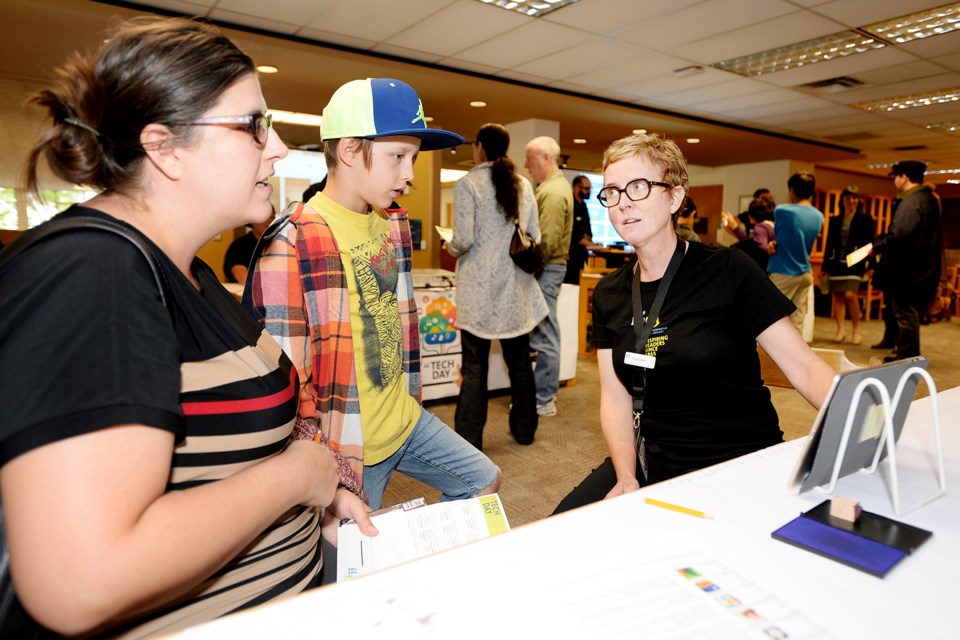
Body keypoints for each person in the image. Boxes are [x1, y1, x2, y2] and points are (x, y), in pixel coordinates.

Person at [0, 17, 374, 639]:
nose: (278, 148)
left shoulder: (182, 268)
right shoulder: (94, 274)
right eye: (254, 125)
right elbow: (83, 581)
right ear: (163, 147)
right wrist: (298, 476)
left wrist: (316, 499)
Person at [244, 78, 501, 510]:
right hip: (347, 443)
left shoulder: (392, 223)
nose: (410, 174)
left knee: (482, 480)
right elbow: (285, 374)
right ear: (348, 151)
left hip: (404, 419)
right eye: (397, 156)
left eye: (414, 158)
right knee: (350, 565)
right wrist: (325, 467)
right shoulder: (292, 238)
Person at [553, 133, 834, 514]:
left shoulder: (728, 270)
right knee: (559, 530)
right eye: (614, 191)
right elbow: (616, 397)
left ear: (675, 196)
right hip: (650, 459)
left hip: (736, 461)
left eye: (638, 187)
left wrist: (859, 430)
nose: (623, 204)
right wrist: (626, 476)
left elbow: (804, 366)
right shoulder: (610, 292)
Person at [445, 123, 548, 450]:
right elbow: (535, 235)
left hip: (479, 289)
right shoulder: (524, 184)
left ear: (480, 148)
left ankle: (469, 439)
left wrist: (449, 245)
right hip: (515, 289)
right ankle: (525, 431)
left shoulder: (469, 184)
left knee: (475, 365)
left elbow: (464, 239)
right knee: (520, 362)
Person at [871, 161, 943, 362]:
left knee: (905, 314)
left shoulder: (912, 202)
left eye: (896, 176)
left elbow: (900, 236)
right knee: (908, 314)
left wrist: (875, 247)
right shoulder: (929, 199)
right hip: (922, 269)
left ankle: (907, 357)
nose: (894, 181)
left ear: (904, 177)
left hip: (909, 271)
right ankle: (906, 354)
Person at [524, 136, 573, 417]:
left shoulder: (553, 192)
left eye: (530, 158)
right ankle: (541, 396)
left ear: (545, 158)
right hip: (550, 267)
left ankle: (544, 399)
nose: (526, 164)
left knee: (545, 333)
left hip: (548, 268)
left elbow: (549, 242)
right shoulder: (552, 187)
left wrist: (527, 267)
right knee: (544, 331)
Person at [766, 172, 824, 336]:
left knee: (770, 315)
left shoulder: (782, 211)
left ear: (791, 190)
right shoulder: (819, 216)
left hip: (784, 272)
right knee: (797, 321)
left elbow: (778, 235)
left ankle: (768, 358)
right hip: (805, 273)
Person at [821, 186, 875, 346]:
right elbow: (829, 243)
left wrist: (870, 265)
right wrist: (825, 266)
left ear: (858, 201)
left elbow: (869, 244)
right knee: (837, 296)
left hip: (855, 262)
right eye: (848, 198)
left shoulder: (866, 219)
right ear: (843, 200)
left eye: (855, 198)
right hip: (836, 263)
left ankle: (856, 330)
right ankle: (840, 330)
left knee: (850, 295)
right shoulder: (835, 220)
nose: (851, 201)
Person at [564, 174, 600, 283]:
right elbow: (575, 235)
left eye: (590, 189)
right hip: (570, 258)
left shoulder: (583, 205)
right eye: (586, 188)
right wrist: (592, 245)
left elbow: (587, 232)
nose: (589, 191)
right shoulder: (569, 204)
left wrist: (593, 243)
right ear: (577, 187)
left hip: (582, 256)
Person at [722, 196, 775, 268]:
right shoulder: (772, 225)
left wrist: (735, 227)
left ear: (751, 216)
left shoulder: (760, 227)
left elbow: (759, 249)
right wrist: (735, 228)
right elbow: (750, 243)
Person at [222, 209, 273, 283]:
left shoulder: (278, 244)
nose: (269, 221)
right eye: (264, 217)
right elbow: (238, 271)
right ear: (252, 221)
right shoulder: (240, 245)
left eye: (271, 217)